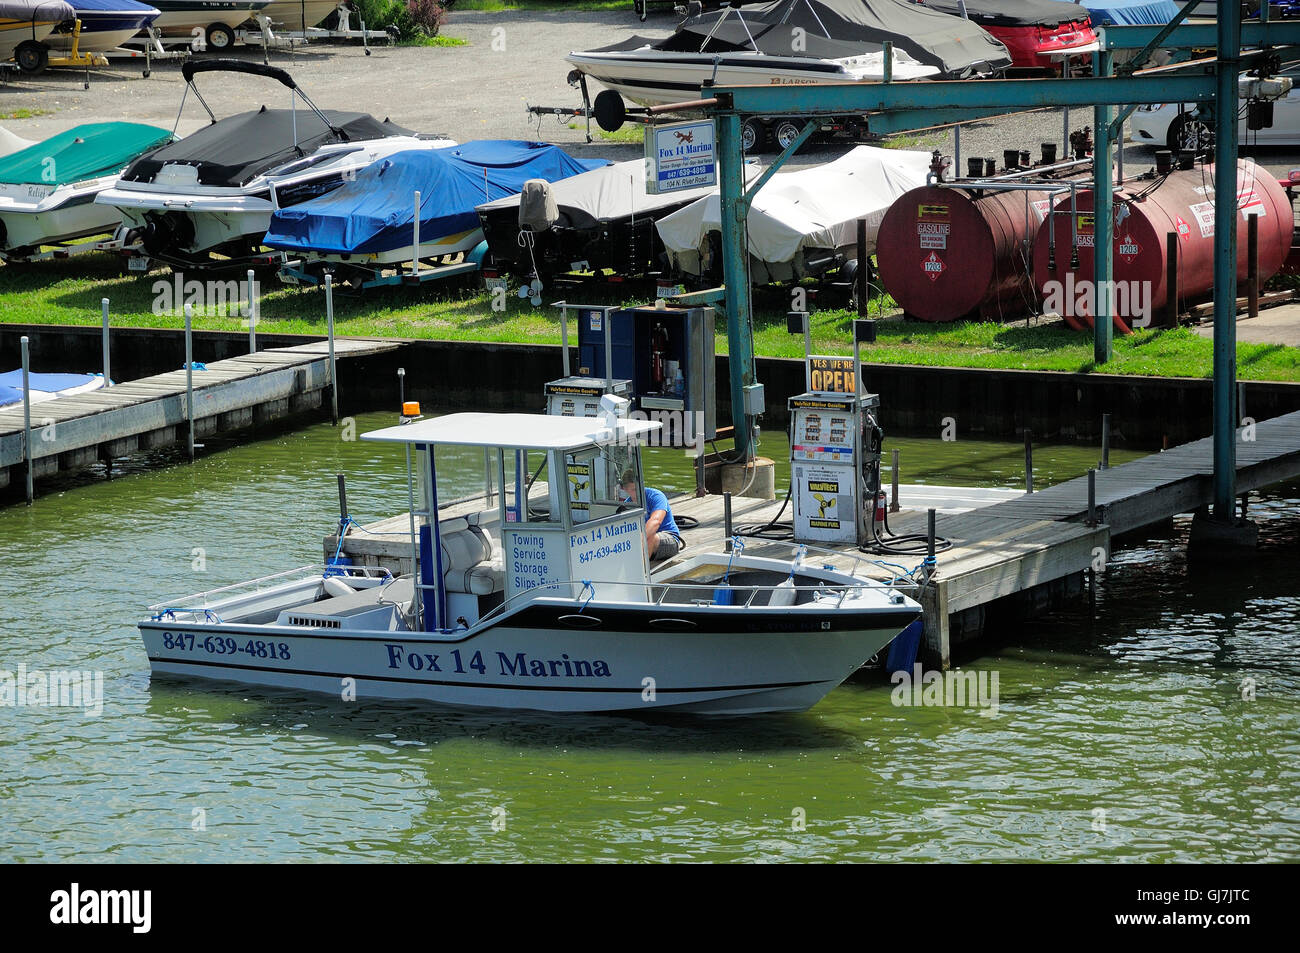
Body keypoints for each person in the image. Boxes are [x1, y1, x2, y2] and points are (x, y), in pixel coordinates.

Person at [620, 469, 684, 562]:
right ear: (625, 489)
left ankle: (643, 572)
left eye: (640, 487)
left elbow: (655, 522)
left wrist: (639, 540)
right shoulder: (626, 505)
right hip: (643, 543)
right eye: (634, 489)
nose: (638, 492)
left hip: (670, 538)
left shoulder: (656, 496)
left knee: (649, 536)